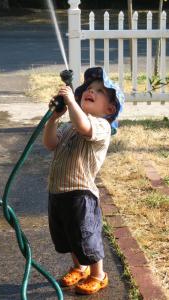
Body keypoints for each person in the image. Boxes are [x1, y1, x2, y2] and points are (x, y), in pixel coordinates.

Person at [43, 67, 124, 295]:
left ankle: (98, 275)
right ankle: (80, 268)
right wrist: (53, 118)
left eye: (99, 91)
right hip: (58, 192)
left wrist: (71, 103)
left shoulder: (101, 125)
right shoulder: (69, 126)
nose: (92, 91)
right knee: (69, 236)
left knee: (86, 237)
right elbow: (50, 144)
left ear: (109, 109)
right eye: (89, 88)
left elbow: (84, 127)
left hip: (81, 195)